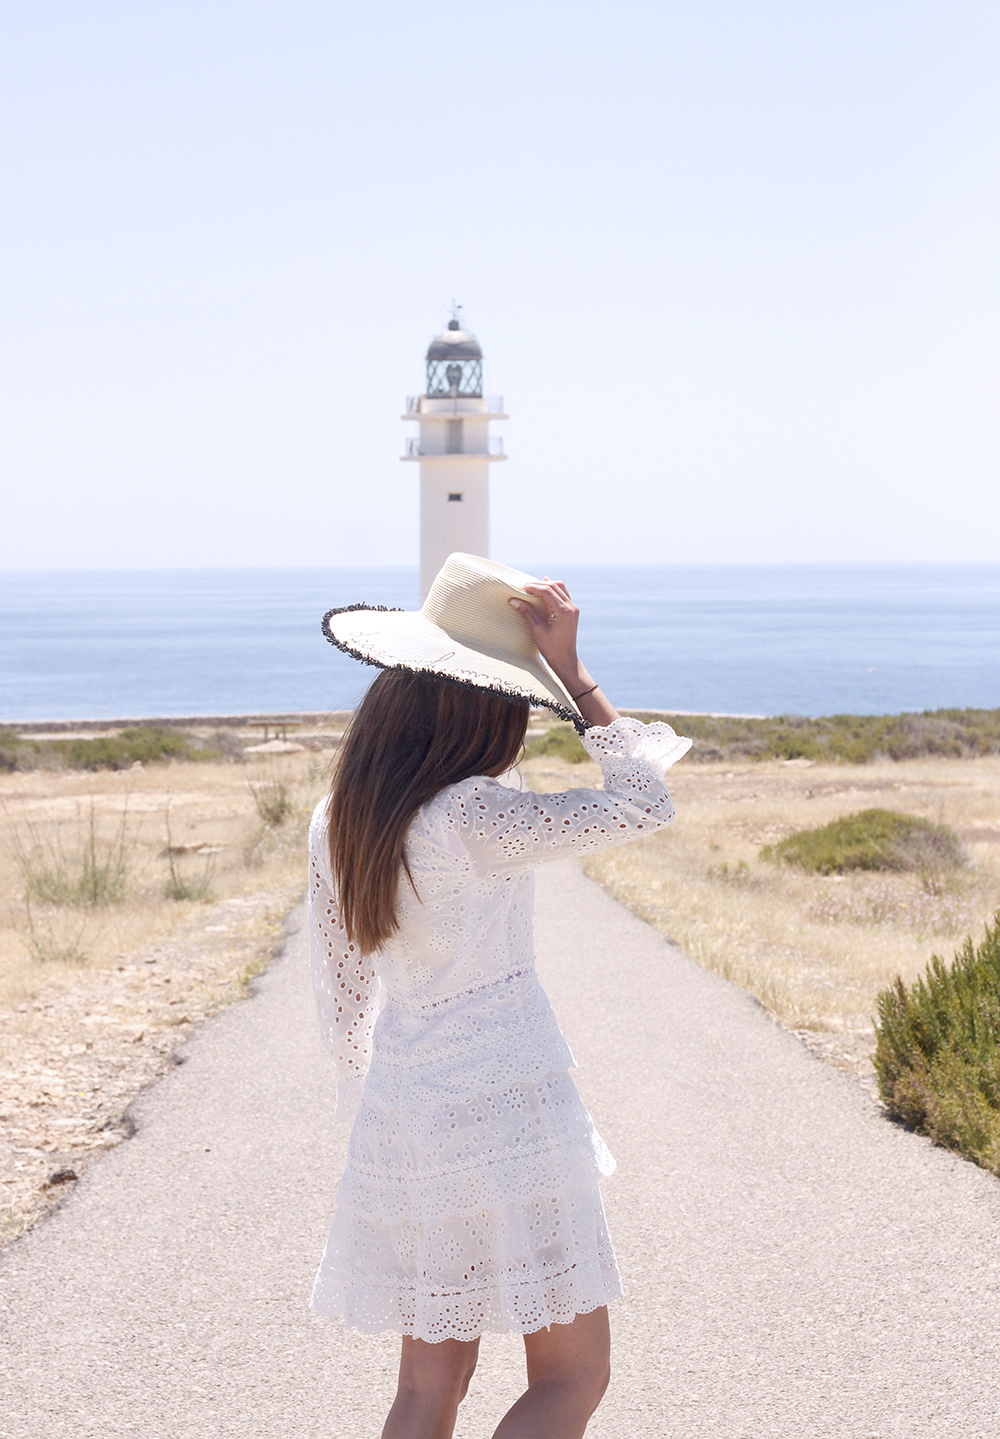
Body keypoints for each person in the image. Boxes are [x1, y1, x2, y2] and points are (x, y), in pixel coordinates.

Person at [308, 553, 690, 1439]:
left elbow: (344, 992)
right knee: (571, 1378)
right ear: (481, 703)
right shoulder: (473, 815)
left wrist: (377, 1106)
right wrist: (577, 675)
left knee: (426, 1387)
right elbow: (643, 803)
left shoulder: (339, 816)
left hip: (407, 1111)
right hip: (511, 1108)